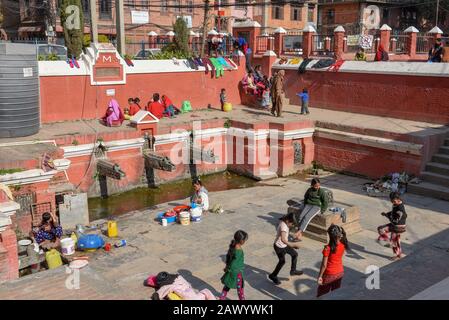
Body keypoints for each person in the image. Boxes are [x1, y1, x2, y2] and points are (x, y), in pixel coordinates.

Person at [268, 213, 303, 285]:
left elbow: (285, 237)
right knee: (282, 261)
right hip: (278, 247)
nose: (292, 225)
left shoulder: (284, 223)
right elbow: (283, 239)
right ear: (287, 221)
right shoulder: (283, 226)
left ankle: (293, 271)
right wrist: (293, 245)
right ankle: (273, 275)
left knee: (294, 254)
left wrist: (293, 236)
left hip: (284, 245)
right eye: (292, 224)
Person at [317, 224, 349, 298]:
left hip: (329, 274)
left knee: (322, 294)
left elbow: (324, 265)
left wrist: (320, 276)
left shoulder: (327, 248)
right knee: (335, 294)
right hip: (340, 272)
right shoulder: (343, 244)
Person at [377, 192, 407, 260]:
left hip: (398, 226)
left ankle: (388, 242)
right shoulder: (396, 204)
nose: (392, 202)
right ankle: (398, 255)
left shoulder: (400, 207)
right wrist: (386, 214)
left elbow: (401, 215)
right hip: (396, 225)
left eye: (393, 200)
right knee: (396, 240)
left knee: (381, 229)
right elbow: (393, 212)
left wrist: (398, 216)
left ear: (398, 199)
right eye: (391, 200)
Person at [220, 230, 248, 300]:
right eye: (245, 240)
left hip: (230, 272)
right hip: (237, 273)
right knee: (240, 289)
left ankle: (222, 298)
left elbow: (229, 258)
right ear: (241, 241)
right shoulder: (238, 251)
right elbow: (234, 263)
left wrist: (227, 268)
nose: (245, 241)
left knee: (227, 286)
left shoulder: (233, 247)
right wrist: (235, 270)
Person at [147, 272, 216, 300]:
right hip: (191, 293)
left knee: (204, 292)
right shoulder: (178, 277)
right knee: (206, 291)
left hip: (190, 297)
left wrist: (156, 294)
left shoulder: (168, 286)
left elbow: (159, 293)